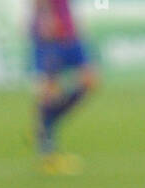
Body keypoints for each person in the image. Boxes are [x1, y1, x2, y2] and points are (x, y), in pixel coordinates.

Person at [31, 0, 97, 173]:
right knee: (49, 92)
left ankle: (44, 127)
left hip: (70, 35)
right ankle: (48, 154)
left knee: (89, 81)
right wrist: (45, 23)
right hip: (51, 38)